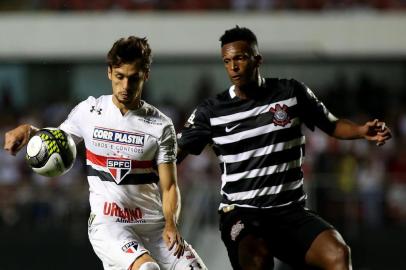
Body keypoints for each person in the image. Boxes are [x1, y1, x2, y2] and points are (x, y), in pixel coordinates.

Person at [176, 26, 392, 270]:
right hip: (242, 214)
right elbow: (174, 155)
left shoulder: (290, 92)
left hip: (290, 213)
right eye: (227, 61)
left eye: (240, 58)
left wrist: (361, 131)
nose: (233, 67)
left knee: (338, 254)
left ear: (257, 59)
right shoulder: (211, 111)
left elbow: (331, 125)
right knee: (258, 257)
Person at [4, 36, 206, 270]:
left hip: (154, 226)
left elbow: (170, 186)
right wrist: (28, 130)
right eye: (120, 77)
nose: (126, 86)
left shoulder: (161, 126)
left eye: (134, 78)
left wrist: (171, 223)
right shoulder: (89, 111)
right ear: (109, 72)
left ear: (145, 75)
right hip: (108, 224)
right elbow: (57, 142)